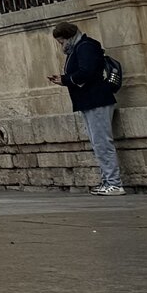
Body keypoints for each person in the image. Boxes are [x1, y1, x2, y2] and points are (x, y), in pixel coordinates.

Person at [50, 20, 123, 195]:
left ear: (68, 37)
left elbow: (87, 72)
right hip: (89, 101)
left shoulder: (85, 47)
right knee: (97, 143)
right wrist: (64, 80)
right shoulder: (79, 48)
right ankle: (107, 181)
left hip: (97, 100)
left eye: (61, 42)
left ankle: (114, 183)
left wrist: (66, 79)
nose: (61, 46)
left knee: (102, 143)